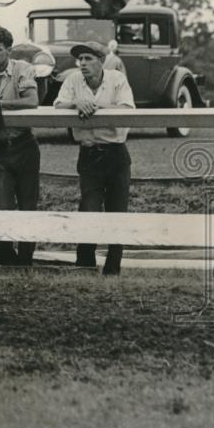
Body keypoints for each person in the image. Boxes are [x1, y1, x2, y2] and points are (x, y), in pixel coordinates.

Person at [53, 40, 136, 275]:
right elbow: (58, 105)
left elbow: (128, 109)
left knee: (117, 211)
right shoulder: (73, 80)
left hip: (116, 153)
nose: (82, 64)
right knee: (88, 208)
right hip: (89, 154)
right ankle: (85, 263)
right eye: (80, 59)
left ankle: (113, 267)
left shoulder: (117, 79)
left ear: (102, 61)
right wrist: (76, 103)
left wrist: (96, 107)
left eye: (88, 59)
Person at [0, 26, 41, 266]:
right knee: (1, 203)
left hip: (24, 144)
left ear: (9, 50)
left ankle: (26, 259)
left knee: (28, 204)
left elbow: (32, 100)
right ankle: (6, 255)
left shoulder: (22, 69)